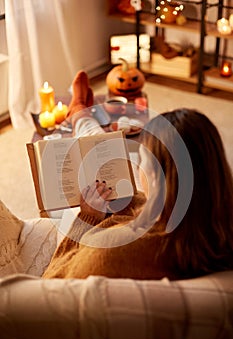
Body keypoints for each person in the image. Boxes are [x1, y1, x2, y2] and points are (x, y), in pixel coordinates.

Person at [42, 71, 233, 280]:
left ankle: (79, 113)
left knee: (85, 176)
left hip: (90, 236)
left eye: (142, 163)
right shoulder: (217, 228)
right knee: (106, 151)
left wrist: (88, 217)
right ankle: (80, 114)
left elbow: (53, 279)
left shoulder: (109, 251)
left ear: (156, 179)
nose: (139, 168)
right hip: (139, 209)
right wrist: (133, 201)